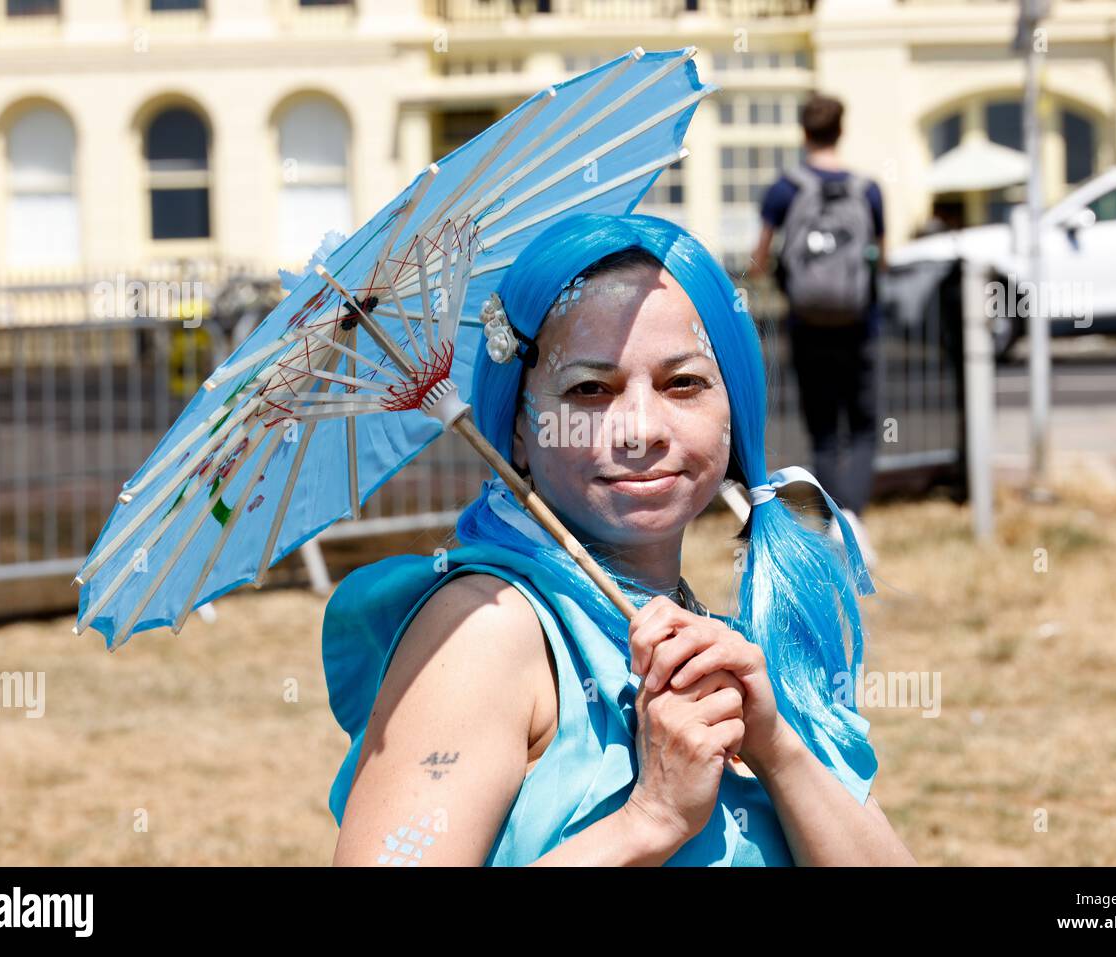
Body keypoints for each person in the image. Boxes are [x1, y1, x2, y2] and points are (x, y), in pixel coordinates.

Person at [324, 213, 914, 867]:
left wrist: (776, 745)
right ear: (519, 428)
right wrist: (648, 820)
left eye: (682, 383)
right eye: (589, 390)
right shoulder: (485, 632)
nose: (639, 429)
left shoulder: (723, 648)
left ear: (735, 405)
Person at [750, 92, 884, 565]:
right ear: (840, 130)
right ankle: (854, 516)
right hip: (859, 323)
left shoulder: (785, 189)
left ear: (804, 133)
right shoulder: (868, 190)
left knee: (824, 429)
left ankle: (835, 522)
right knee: (865, 424)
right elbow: (880, 258)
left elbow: (759, 258)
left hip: (807, 323)